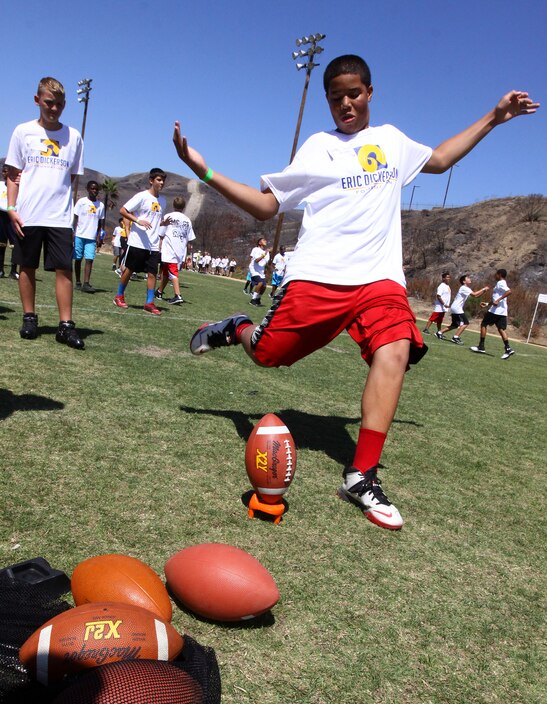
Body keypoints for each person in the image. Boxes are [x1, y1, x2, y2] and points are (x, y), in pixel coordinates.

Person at [173, 54, 539, 530]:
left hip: (379, 280)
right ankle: (234, 327)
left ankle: (361, 474)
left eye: (354, 93)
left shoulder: (390, 140)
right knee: (267, 355)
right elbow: (266, 207)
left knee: (396, 349)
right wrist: (204, 171)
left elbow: (442, 159)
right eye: (335, 97)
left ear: (370, 92)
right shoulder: (318, 147)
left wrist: (494, 117)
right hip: (318, 277)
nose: (345, 103)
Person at [5, 76, 85, 349]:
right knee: (27, 266)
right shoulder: (22, 131)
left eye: (60, 104)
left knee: (63, 269)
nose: (54, 108)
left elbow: (71, 177)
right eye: (49, 102)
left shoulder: (74, 136)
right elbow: (13, 175)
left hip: (59, 217)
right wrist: (12, 209)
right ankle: (29, 318)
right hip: (27, 214)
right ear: (37, 100)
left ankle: (65, 326)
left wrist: (59, 201)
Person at [114, 168, 168, 315]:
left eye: (163, 180)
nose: (161, 182)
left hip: (154, 244)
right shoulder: (142, 196)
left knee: (152, 273)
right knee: (129, 269)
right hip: (138, 242)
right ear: (151, 181)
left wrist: (163, 223)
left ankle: (149, 302)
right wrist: (138, 220)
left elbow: (154, 220)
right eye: (158, 180)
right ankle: (119, 296)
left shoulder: (163, 201)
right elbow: (123, 210)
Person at [155, 195, 195, 305]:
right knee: (166, 272)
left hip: (169, 249)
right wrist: (189, 255)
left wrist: (159, 246)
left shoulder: (168, 216)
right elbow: (190, 239)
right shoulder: (187, 220)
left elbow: (161, 233)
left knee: (172, 272)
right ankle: (159, 291)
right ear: (184, 206)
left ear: (173, 205)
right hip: (181, 250)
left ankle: (178, 295)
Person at [470, 269, 514, 359]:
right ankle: (508, 349)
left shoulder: (500, 283)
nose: (495, 276)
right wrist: (488, 304)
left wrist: (498, 300)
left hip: (496, 311)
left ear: (499, 275)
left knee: (483, 324)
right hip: (502, 311)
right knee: (501, 329)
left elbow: (509, 291)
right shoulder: (502, 283)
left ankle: (481, 347)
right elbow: (496, 298)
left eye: (496, 274)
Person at [73, 180, 105, 292]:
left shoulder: (100, 205)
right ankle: (78, 281)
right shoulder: (81, 202)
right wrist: (73, 232)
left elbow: (101, 222)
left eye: (96, 189)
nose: (94, 191)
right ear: (88, 189)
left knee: (89, 259)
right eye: (92, 188)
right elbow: (75, 217)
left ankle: (86, 283)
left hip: (91, 237)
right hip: (79, 235)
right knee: (78, 258)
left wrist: (99, 236)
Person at [441, 274, 489, 344]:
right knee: (466, 323)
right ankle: (455, 337)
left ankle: (440, 332)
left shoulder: (466, 288)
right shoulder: (464, 288)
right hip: (457, 308)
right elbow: (474, 294)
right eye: (468, 278)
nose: (470, 279)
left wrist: (484, 291)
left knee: (454, 325)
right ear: (464, 281)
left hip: (455, 307)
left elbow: (475, 296)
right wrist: (483, 289)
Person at [0, 165, 19, 278]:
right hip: (1, 216)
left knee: (14, 244)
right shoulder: (0, 185)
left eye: (6, 171)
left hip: (12, 216)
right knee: (1, 243)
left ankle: (14, 271)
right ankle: (1, 269)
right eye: (3, 171)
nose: (4, 173)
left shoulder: (17, 186)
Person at [422, 272, 451, 337]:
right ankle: (426, 329)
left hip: (444, 307)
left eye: (449, 277)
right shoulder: (441, 286)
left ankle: (439, 332)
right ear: (443, 278)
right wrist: (444, 304)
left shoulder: (447, 286)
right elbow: (438, 296)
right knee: (433, 317)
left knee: (440, 320)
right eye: (447, 277)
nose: (448, 278)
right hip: (440, 306)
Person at [247, 237, 270, 307]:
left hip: (261, 270)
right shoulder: (256, 249)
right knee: (260, 283)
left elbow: (266, 262)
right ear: (259, 243)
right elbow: (256, 260)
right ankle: (253, 300)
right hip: (254, 269)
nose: (265, 241)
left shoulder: (266, 252)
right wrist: (264, 254)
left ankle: (258, 299)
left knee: (264, 286)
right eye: (263, 240)